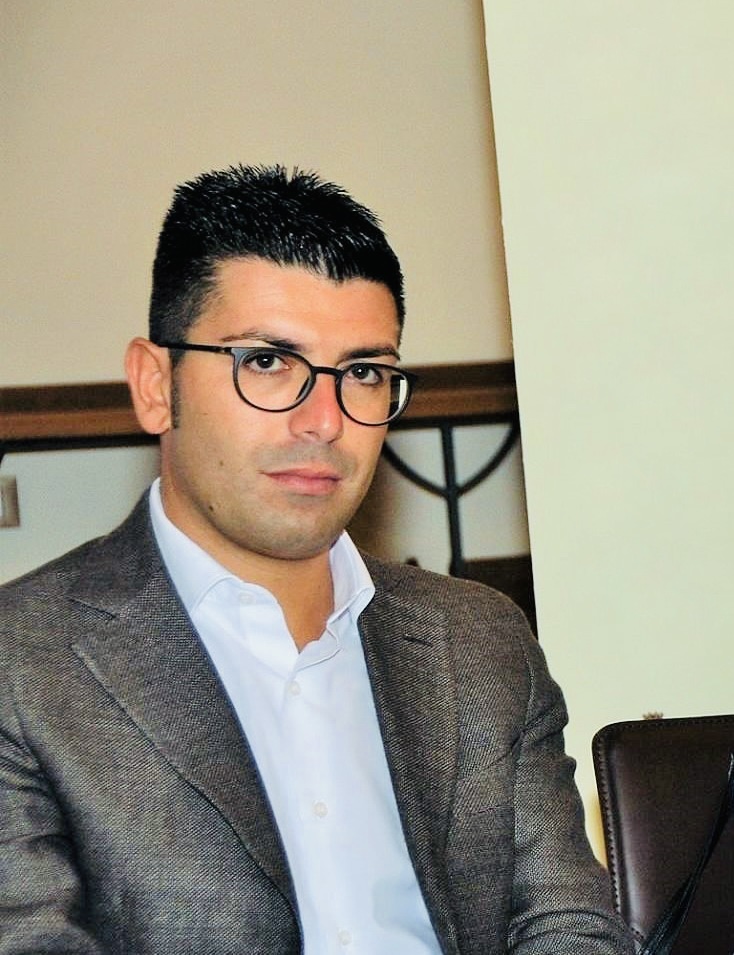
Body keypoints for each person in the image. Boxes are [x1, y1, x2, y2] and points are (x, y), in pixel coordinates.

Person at [0, 164, 633, 955]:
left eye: (363, 373)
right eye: (268, 362)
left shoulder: (478, 642)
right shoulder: (23, 666)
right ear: (156, 384)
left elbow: (568, 928)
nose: (324, 420)